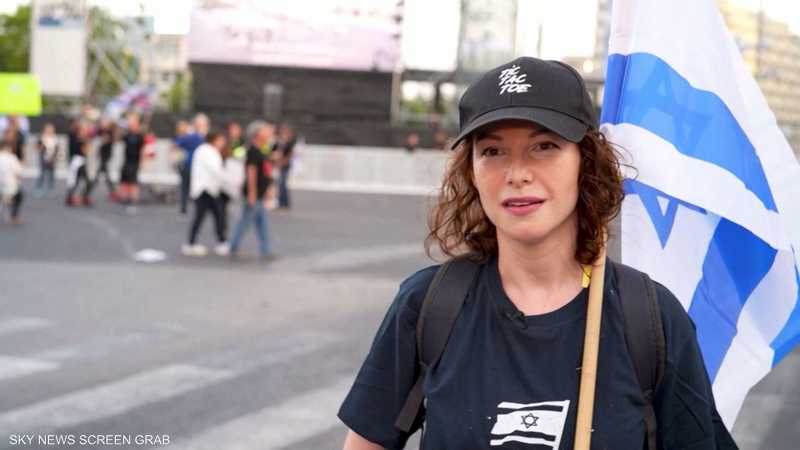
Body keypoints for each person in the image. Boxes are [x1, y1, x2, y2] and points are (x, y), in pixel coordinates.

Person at [338, 57, 738, 450]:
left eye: (544, 146)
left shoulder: (651, 320)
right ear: (471, 171)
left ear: (585, 162)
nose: (517, 174)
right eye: (492, 151)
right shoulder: (428, 304)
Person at [228, 121, 276, 261]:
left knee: (261, 222)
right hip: (254, 194)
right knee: (246, 221)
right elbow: (251, 172)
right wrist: (252, 192)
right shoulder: (253, 151)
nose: (268, 133)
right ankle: (234, 246)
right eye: (265, 130)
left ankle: (265, 249)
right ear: (257, 133)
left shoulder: (261, 149)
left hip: (259, 193)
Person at [182, 131, 229, 256]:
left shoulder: (206, 150)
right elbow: (216, 170)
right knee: (211, 216)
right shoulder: (207, 151)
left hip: (208, 189)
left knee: (213, 216)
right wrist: (230, 180)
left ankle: (219, 241)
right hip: (206, 190)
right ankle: (194, 243)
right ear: (215, 139)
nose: (223, 143)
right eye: (221, 140)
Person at [175, 113, 209, 214]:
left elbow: (177, 143)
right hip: (192, 166)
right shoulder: (196, 137)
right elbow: (178, 144)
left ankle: (186, 207)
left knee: (187, 187)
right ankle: (193, 207)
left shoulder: (193, 136)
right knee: (191, 187)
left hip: (194, 165)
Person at [115, 113, 145, 213]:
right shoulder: (127, 134)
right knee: (124, 181)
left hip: (134, 162)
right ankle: (125, 199)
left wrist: (141, 162)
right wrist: (119, 127)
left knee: (133, 183)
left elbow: (142, 150)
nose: (131, 125)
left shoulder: (140, 135)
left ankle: (134, 202)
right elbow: (118, 138)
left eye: (133, 123)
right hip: (127, 161)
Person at [65, 121, 93, 207]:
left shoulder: (78, 138)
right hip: (77, 162)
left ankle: (74, 197)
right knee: (83, 181)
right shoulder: (76, 139)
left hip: (79, 161)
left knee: (77, 181)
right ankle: (80, 197)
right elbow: (86, 151)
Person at [88, 118, 117, 198]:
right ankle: (87, 193)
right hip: (99, 158)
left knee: (103, 177)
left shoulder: (110, 132)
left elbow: (107, 140)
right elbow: (95, 140)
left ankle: (87, 193)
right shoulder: (99, 131)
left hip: (105, 157)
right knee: (100, 177)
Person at [0, 140, 24, 224]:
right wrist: (19, 182)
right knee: (19, 196)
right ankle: (13, 216)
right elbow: (18, 173)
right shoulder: (12, 158)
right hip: (10, 184)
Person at [275, 124, 296, 210]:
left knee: (282, 184)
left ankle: (284, 203)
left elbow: (290, 154)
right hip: (281, 165)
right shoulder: (281, 142)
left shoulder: (290, 143)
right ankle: (282, 202)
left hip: (285, 166)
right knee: (280, 184)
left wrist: (283, 161)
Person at [35, 123, 59, 197]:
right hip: (43, 158)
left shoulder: (55, 138)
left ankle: (50, 188)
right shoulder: (42, 137)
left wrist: (54, 157)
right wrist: (44, 142)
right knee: (42, 174)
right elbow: (38, 148)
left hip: (52, 159)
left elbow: (57, 148)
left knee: (52, 175)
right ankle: (39, 189)